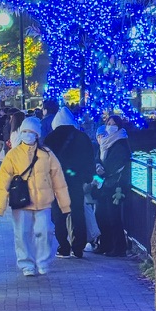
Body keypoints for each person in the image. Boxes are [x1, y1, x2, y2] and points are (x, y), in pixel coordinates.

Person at [0, 116, 70, 276]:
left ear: (37, 135)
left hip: (43, 201)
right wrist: (0, 206)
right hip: (20, 201)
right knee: (22, 233)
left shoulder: (47, 154)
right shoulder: (13, 155)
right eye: (25, 131)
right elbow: (3, 180)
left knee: (46, 231)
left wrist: (64, 203)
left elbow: (59, 178)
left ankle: (43, 261)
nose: (28, 135)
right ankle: (26, 263)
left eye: (31, 132)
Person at [44, 106, 95, 258]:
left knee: (59, 216)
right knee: (77, 214)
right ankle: (78, 247)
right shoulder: (82, 137)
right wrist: (87, 178)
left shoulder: (50, 138)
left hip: (56, 183)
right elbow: (89, 159)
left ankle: (64, 247)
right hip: (76, 182)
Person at [94, 113, 132, 257]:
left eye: (113, 124)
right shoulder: (105, 142)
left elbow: (117, 163)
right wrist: (97, 165)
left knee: (113, 217)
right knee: (101, 215)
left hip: (115, 186)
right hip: (104, 185)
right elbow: (98, 157)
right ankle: (105, 244)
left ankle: (118, 247)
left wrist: (103, 171)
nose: (110, 126)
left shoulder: (121, 143)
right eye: (108, 124)